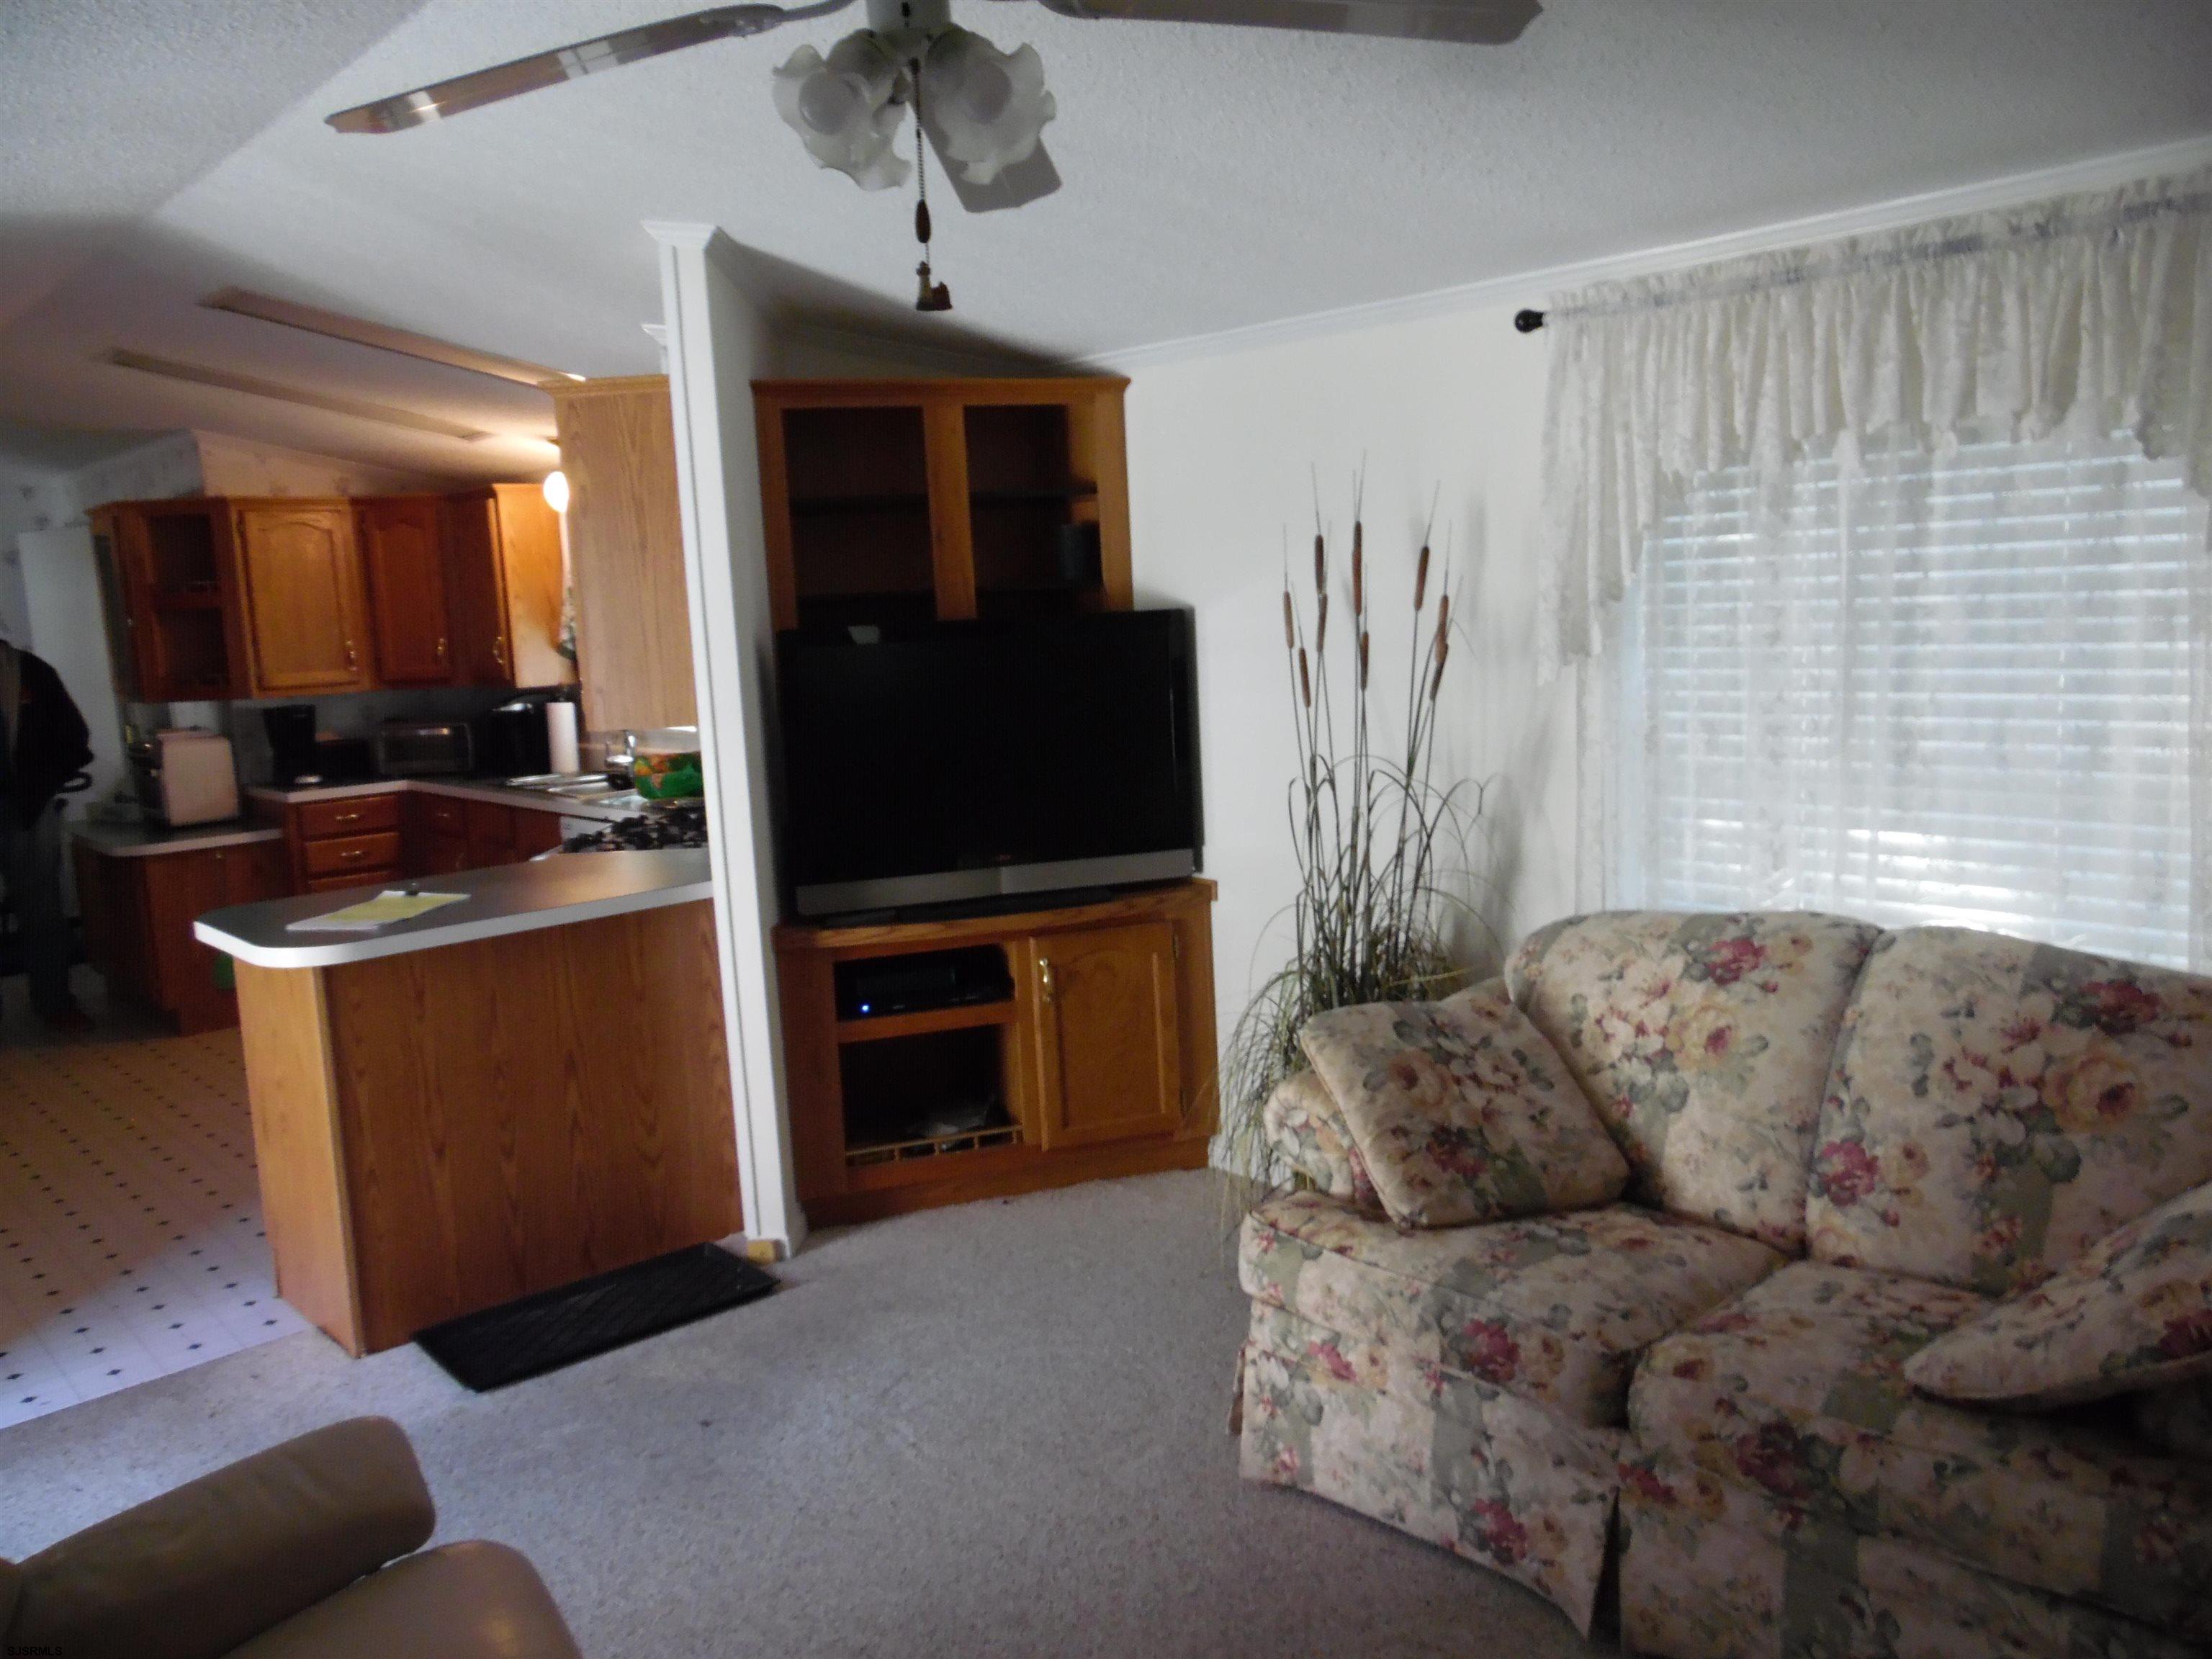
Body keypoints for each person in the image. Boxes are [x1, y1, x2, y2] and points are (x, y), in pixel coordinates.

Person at [0, 637, 94, 1033]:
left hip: (28, 808)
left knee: (42, 912)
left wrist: (43, 783)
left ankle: (55, 1003)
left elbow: (74, 737)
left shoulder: (32, 673)